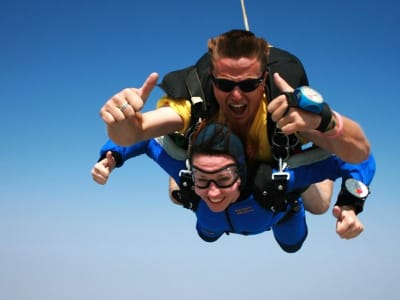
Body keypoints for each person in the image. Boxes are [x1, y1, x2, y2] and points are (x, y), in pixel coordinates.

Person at [98, 29, 371, 218]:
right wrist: (122, 122)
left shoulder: (286, 114)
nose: (237, 95)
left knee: (318, 206)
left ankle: (293, 201)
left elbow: (359, 152)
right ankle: (188, 157)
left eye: (249, 84)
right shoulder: (198, 103)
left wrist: (325, 123)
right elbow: (137, 132)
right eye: (225, 84)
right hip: (216, 175)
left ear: (264, 81)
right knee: (184, 195)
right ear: (212, 80)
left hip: (270, 171)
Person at [92, 122, 375, 243]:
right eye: (206, 179)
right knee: (205, 228)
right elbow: (141, 136)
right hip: (211, 214)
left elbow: (358, 158)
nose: (214, 191)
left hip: (279, 209)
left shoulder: (276, 180)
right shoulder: (191, 176)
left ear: (240, 174)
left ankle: (308, 172)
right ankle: (183, 169)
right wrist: (112, 157)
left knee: (293, 241)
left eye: (224, 180)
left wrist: (349, 205)